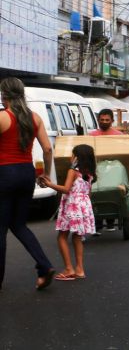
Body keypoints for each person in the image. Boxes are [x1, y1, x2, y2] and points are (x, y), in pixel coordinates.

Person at [0, 77, 56, 291]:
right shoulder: (35, 117)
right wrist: (46, 175)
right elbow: (48, 149)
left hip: (4, 173)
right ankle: (45, 265)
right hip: (26, 173)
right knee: (19, 224)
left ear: (4, 95)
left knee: (1, 228)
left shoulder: (3, 117)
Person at [40, 144, 96, 281]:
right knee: (77, 237)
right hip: (84, 205)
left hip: (72, 204)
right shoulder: (89, 173)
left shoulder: (73, 171)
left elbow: (66, 189)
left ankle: (69, 269)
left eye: (73, 154)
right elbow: (88, 192)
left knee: (62, 236)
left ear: (77, 157)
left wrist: (49, 184)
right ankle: (80, 269)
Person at [89, 108, 122, 232]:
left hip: (113, 170)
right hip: (96, 171)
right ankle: (97, 223)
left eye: (107, 120)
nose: (104, 122)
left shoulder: (119, 136)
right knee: (96, 194)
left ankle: (110, 221)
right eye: (102, 120)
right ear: (98, 120)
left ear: (112, 121)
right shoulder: (91, 136)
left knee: (111, 193)